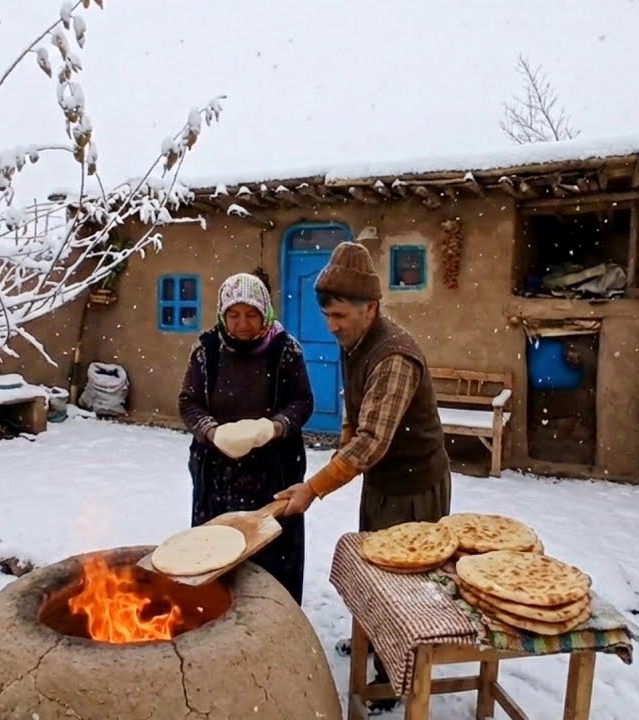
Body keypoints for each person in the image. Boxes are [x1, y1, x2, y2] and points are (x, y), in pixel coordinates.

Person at [274, 241, 452, 711]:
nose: (331, 327)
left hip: (414, 486)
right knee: (375, 575)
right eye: (328, 317)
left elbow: (372, 441)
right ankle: (374, 643)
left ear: (370, 307)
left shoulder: (394, 356)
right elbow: (357, 417)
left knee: (405, 591)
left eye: (340, 317)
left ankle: (396, 677)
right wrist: (342, 447)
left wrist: (314, 488)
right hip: (382, 482)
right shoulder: (358, 344)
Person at [178, 270, 314, 604]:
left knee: (274, 551)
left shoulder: (285, 350)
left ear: (265, 312)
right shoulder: (206, 349)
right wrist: (212, 431)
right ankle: (215, 612)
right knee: (216, 549)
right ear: (222, 315)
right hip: (217, 472)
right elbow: (188, 401)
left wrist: (274, 427)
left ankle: (277, 616)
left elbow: (302, 401)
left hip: (275, 470)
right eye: (234, 315)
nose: (242, 323)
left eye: (252, 314)